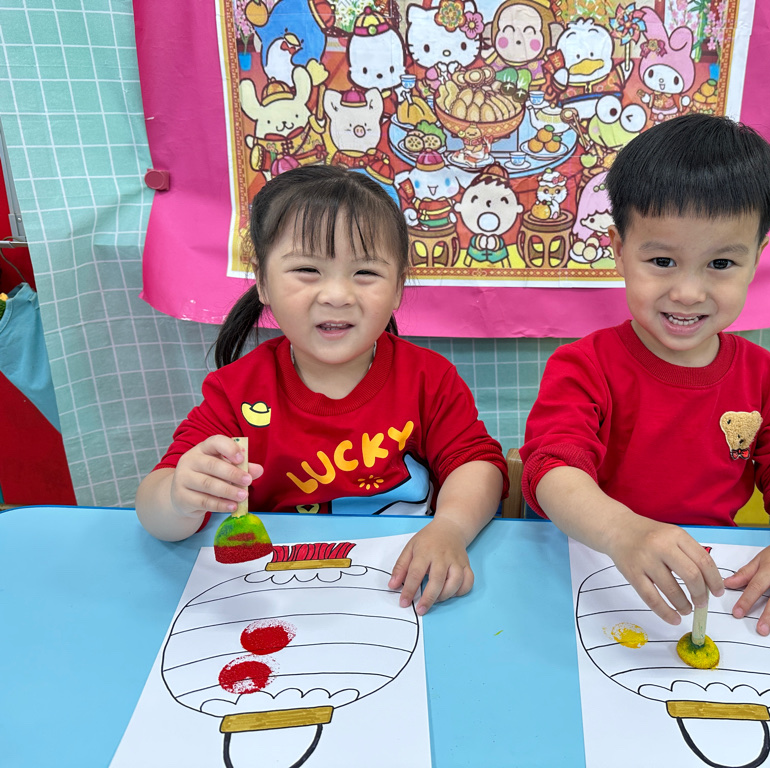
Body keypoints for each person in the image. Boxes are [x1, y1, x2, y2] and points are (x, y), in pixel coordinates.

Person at [520, 114, 770, 642]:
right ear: (619, 250)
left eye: (721, 264)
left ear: (757, 259)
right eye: (663, 260)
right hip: (596, 560)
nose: (689, 293)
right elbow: (552, 469)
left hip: (711, 582)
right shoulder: (585, 365)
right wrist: (624, 531)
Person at [137, 165, 508, 615]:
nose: (336, 295)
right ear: (263, 282)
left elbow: (477, 464)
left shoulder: (429, 378)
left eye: (365, 272)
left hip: (403, 586)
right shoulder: (235, 393)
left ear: (397, 289)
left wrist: (451, 526)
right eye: (307, 269)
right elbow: (155, 510)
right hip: (277, 592)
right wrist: (178, 497)